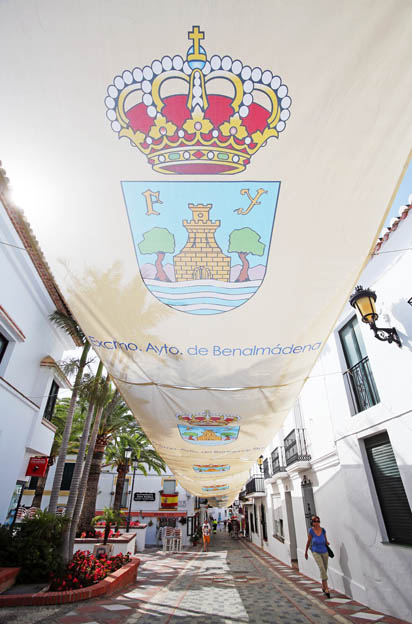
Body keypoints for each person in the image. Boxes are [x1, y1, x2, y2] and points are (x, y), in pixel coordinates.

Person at [304, 515, 331, 598]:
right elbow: (309, 541)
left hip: (325, 551)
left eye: (318, 521)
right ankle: (326, 587)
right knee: (321, 568)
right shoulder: (311, 531)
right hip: (315, 551)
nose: (317, 522)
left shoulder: (323, 530)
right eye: (315, 521)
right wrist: (306, 552)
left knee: (324, 569)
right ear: (312, 523)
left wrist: (327, 542)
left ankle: (323, 586)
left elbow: (326, 541)